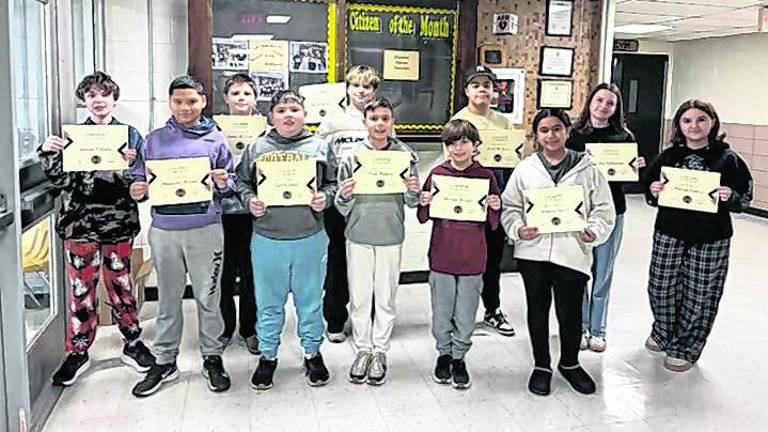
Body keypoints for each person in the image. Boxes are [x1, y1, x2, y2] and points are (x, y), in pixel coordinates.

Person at [39, 71, 155, 387]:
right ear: (84, 101)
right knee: (81, 289)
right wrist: (50, 154)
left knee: (120, 285)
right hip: (79, 224)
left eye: (104, 94)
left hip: (118, 223)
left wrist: (131, 168)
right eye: (91, 95)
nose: (98, 100)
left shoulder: (131, 137)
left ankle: (133, 342)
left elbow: (141, 184)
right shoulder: (73, 136)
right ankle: (78, 351)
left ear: (114, 99)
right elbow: (62, 181)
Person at [129, 75, 234, 397]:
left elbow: (229, 184)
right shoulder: (154, 139)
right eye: (178, 101)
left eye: (191, 101)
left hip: (205, 229)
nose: (185, 107)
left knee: (208, 297)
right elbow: (138, 182)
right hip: (165, 230)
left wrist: (222, 181)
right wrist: (137, 190)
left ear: (203, 102)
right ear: (170, 103)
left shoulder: (216, 139)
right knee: (168, 300)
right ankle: (165, 360)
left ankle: (212, 357)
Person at [501, 108, 615, 396]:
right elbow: (510, 207)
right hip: (533, 253)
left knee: (571, 312)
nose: (550, 135)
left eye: (556, 129)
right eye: (544, 130)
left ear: (567, 131)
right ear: (536, 135)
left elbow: (603, 209)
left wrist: (594, 230)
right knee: (537, 310)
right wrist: (517, 229)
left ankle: (570, 364)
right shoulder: (525, 169)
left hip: (572, 252)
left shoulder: (589, 169)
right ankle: (542, 365)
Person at [236, 90, 336, 390]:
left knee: (310, 303)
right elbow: (241, 182)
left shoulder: (320, 146)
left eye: (294, 109)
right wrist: (249, 199)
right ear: (271, 116)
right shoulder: (257, 147)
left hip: (310, 237)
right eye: (281, 110)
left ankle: (312, 353)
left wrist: (326, 198)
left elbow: (332, 183)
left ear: (304, 114)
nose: (288, 115)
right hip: (268, 238)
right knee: (268, 304)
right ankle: (267, 356)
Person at [643, 99, 752, 372]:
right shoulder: (669, 156)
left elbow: (744, 198)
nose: (694, 126)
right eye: (687, 120)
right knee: (661, 286)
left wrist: (730, 197)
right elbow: (649, 187)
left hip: (710, 237)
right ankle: (664, 331)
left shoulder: (728, 158)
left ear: (713, 122)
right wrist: (654, 189)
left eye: (701, 119)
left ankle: (686, 346)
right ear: (679, 125)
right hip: (669, 231)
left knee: (700, 292)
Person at [335, 98, 420, 386]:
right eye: (375, 119)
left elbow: (412, 202)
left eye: (385, 118)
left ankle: (380, 350)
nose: (380, 124)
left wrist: (413, 190)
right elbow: (340, 204)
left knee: (385, 297)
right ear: (365, 123)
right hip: (358, 234)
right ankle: (362, 349)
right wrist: (344, 194)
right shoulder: (352, 157)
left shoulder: (405, 157)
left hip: (390, 234)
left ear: (392, 122)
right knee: (360, 298)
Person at [417, 119, 502, 389]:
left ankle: (459, 357)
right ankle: (443, 353)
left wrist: (495, 206)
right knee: (442, 310)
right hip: (442, 254)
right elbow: (423, 216)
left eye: (464, 141)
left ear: (475, 146)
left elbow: (494, 222)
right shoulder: (438, 174)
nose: (458, 148)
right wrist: (424, 202)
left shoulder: (486, 177)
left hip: (472, 256)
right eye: (452, 143)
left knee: (466, 312)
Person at [567, 83, 646, 353]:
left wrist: (635, 170)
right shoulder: (573, 136)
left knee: (603, 273)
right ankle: (578, 326)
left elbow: (630, 183)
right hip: (577, 212)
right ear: (590, 102)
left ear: (616, 109)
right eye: (599, 100)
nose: (603, 106)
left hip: (612, 212)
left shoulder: (624, 137)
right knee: (577, 271)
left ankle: (598, 330)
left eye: (610, 103)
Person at [451, 65, 526, 337]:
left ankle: (492, 309)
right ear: (467, 90)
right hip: (466, 203)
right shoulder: (458, 123)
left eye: (488, 85)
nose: (482, 89)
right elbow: (451, 165)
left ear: (495, 91)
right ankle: (458, 313)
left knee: (492, 260)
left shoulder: (504, 123)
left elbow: (512, 165)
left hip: (494, 203)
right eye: (476, 84)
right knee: (462, 259)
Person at [316, 65, 381, 343]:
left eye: (367, 86)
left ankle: (369, 318)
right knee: (338, 260)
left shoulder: (380, 120)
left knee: (371, 261)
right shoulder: (332, 121)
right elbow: (318, 158)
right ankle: (335, 320)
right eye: (356, 86)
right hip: (338, 202)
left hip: (370, 203)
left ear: (375, 90)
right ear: (348, 88)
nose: (362, 91)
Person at [216, 73, 262, 355]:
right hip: (220, 212)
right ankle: (223, 329)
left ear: (255, 98)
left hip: (252, 212)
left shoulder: (266, 130)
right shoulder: (213, 130)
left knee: (250, 273)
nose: (241, 98)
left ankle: (249, 330)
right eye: (236, 94)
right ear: (226, 98)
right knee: (222, 272)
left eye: (247, 93)